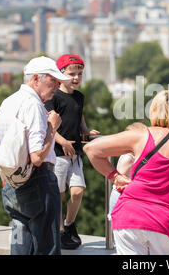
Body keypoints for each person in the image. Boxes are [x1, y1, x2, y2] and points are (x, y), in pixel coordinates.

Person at [83, 90, 169, 255]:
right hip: (163, 222)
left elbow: (91, 149)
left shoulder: (139, 135)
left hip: (129, 216)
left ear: (153, 110)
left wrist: (115, 177)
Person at [0, 56, 71, 255]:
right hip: (38, 181)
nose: (56, 86)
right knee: (46, 248)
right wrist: (52, 129)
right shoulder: (34, 105)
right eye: (52, 80)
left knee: (21, 247)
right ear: (36, 79)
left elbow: (1, 149)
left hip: (12, 182)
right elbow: (37, 156)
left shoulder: (8, 102)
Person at [44, 54, 99, 250]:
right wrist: (62, 141)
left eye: (79, 74)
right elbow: (50, 124)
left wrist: (85, 130)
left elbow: (79, 115)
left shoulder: (79, 97)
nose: (76, 78)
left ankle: (69, 224)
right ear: (61, 74)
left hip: (75, 153)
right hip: (58, 153)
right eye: (72, 73)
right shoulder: (54, 96)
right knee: (58, 193)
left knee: (77, 190)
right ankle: (58, 230)